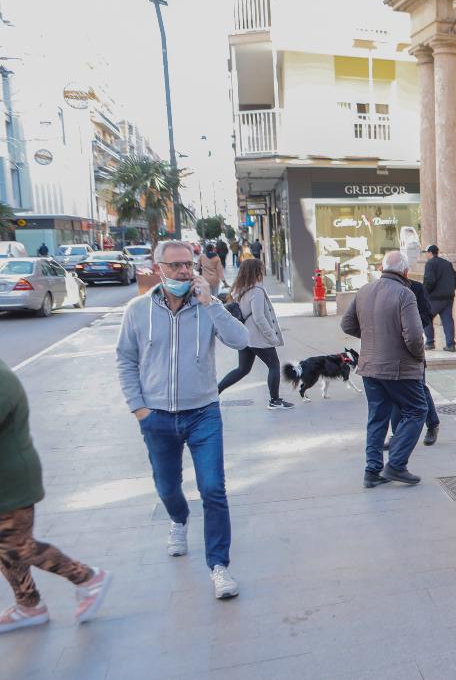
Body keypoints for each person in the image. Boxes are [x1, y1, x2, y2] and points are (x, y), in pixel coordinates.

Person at [115, 240, 250, 600]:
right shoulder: (137, 310)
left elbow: (241, 340)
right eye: (174, 266)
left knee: (213, 489)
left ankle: (219, 566)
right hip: (156, 415)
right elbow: (126, 359)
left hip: (203, 412)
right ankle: (178, 519)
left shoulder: (208, 306)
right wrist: (139, 408)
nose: (183, 272)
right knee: (167, 487)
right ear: (158, 267)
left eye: (187, 265)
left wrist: (213, 305)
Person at [0, 361, 112, 633]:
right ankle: (29, 605)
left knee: (15, 546)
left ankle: (87, 577)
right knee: (5, 547)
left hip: (12, 480)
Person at [340, 250, 428, 488]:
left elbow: (347, 324)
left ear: (382, 267)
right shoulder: (405, 294)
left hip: (370, 366)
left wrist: (371, 336)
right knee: (417, 410)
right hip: (399, 367)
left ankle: (372, 471)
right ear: (406, 271)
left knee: (377, 418)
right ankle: (396, 464)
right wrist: (418, 357)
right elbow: (414, 337)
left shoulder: (364, 290)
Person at [217, 259, 293, 410]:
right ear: (256, 272)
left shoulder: (239, 289)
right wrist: (272, 336)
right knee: (274, 365)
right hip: (257, 337)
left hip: (244, 336)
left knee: (243, 369)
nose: (263, 272)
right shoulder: (256, 291)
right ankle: (274, 400)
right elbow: (259, 318)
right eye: (261, 269)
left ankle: (214, 393)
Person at [386, 269, 441, 448]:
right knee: (394, 390)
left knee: (419, 387)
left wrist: (412, 327)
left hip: (413, 346)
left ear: (404, 272)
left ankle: (432, 424)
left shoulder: (416, 288)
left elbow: (427, 314)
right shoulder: (382, 290)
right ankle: (396, 434)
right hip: (391, 349)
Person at [422, 244, 456, 352]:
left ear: (430, 253)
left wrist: (425, 293)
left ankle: (430, 342)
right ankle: (450, 345)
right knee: (447, 320)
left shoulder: (430, 264)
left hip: (434, 298)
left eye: (426, 253)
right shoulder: (447, 263)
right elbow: (455, 278)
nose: (426, 255)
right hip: (448, 297)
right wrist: (450, 289)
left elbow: (430, 281)